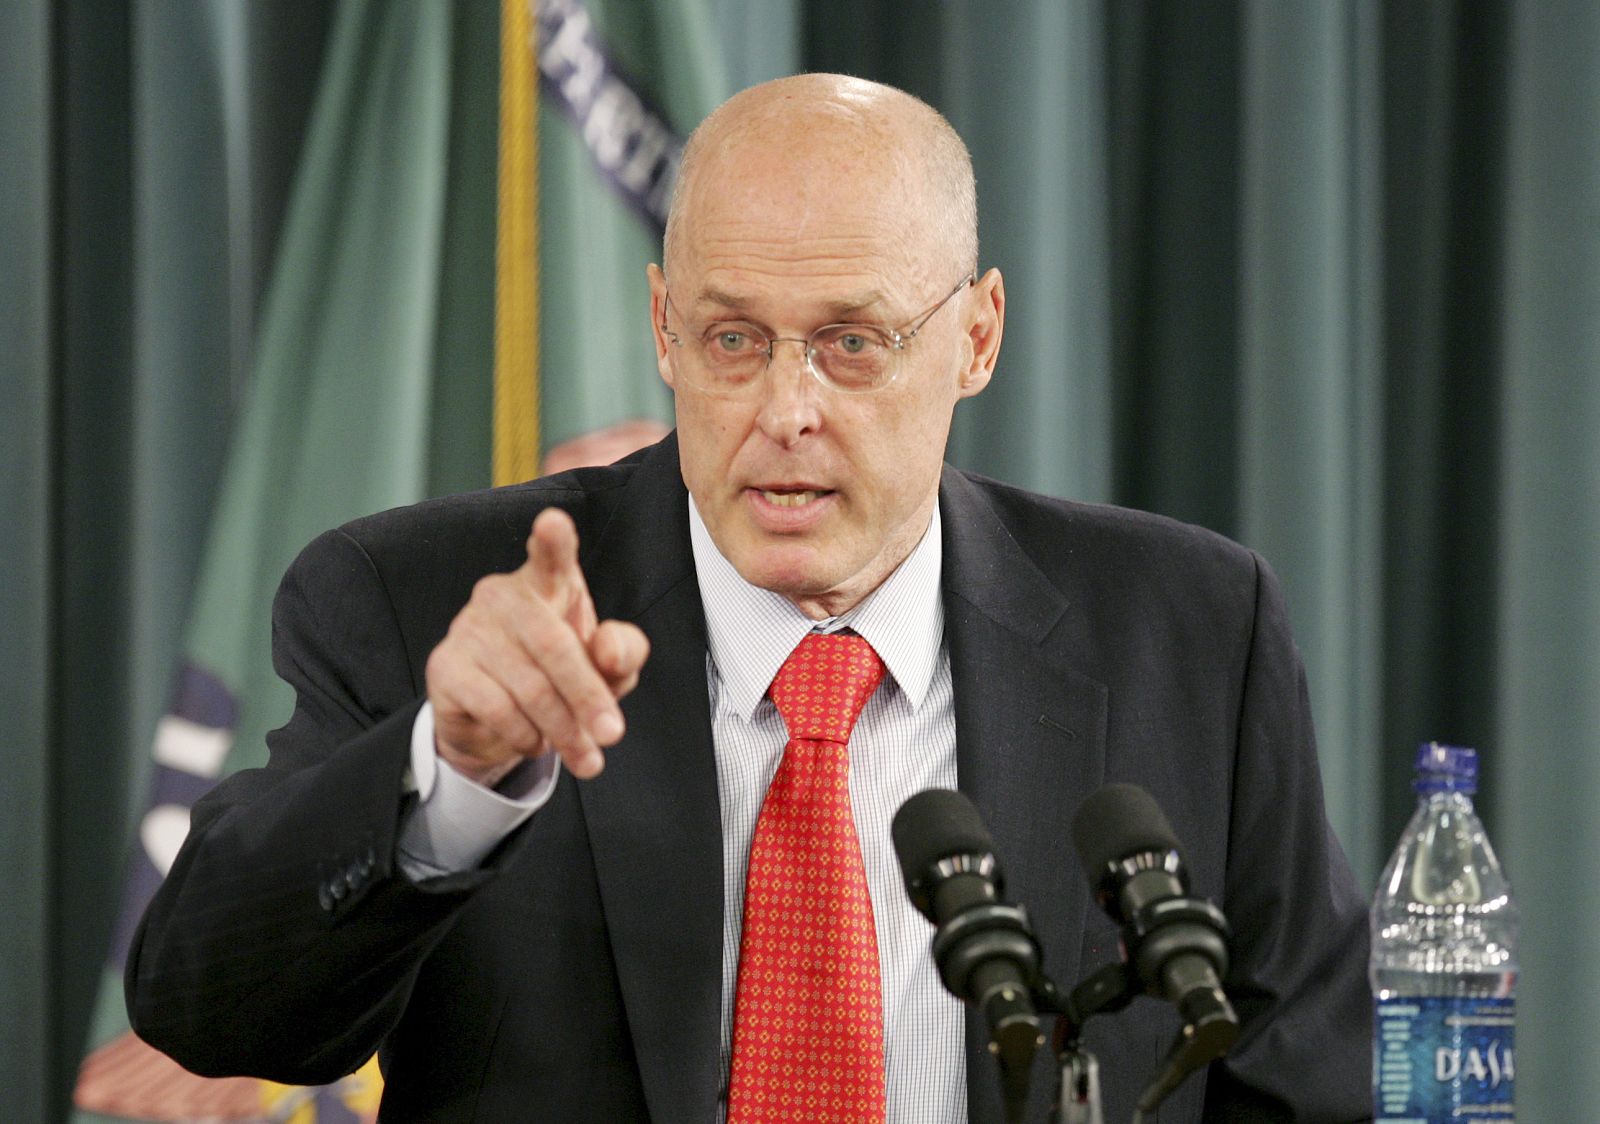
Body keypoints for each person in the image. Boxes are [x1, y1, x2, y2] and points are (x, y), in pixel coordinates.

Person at [126, 74, 1370, 1122]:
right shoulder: (423, 604)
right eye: (732, 339)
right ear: (664, 328)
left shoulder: (1190, 630)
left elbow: (1307, 1081)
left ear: (977, 336)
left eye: (852, 342)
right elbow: (211, 1004)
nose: (785, 410)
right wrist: (446, 774)